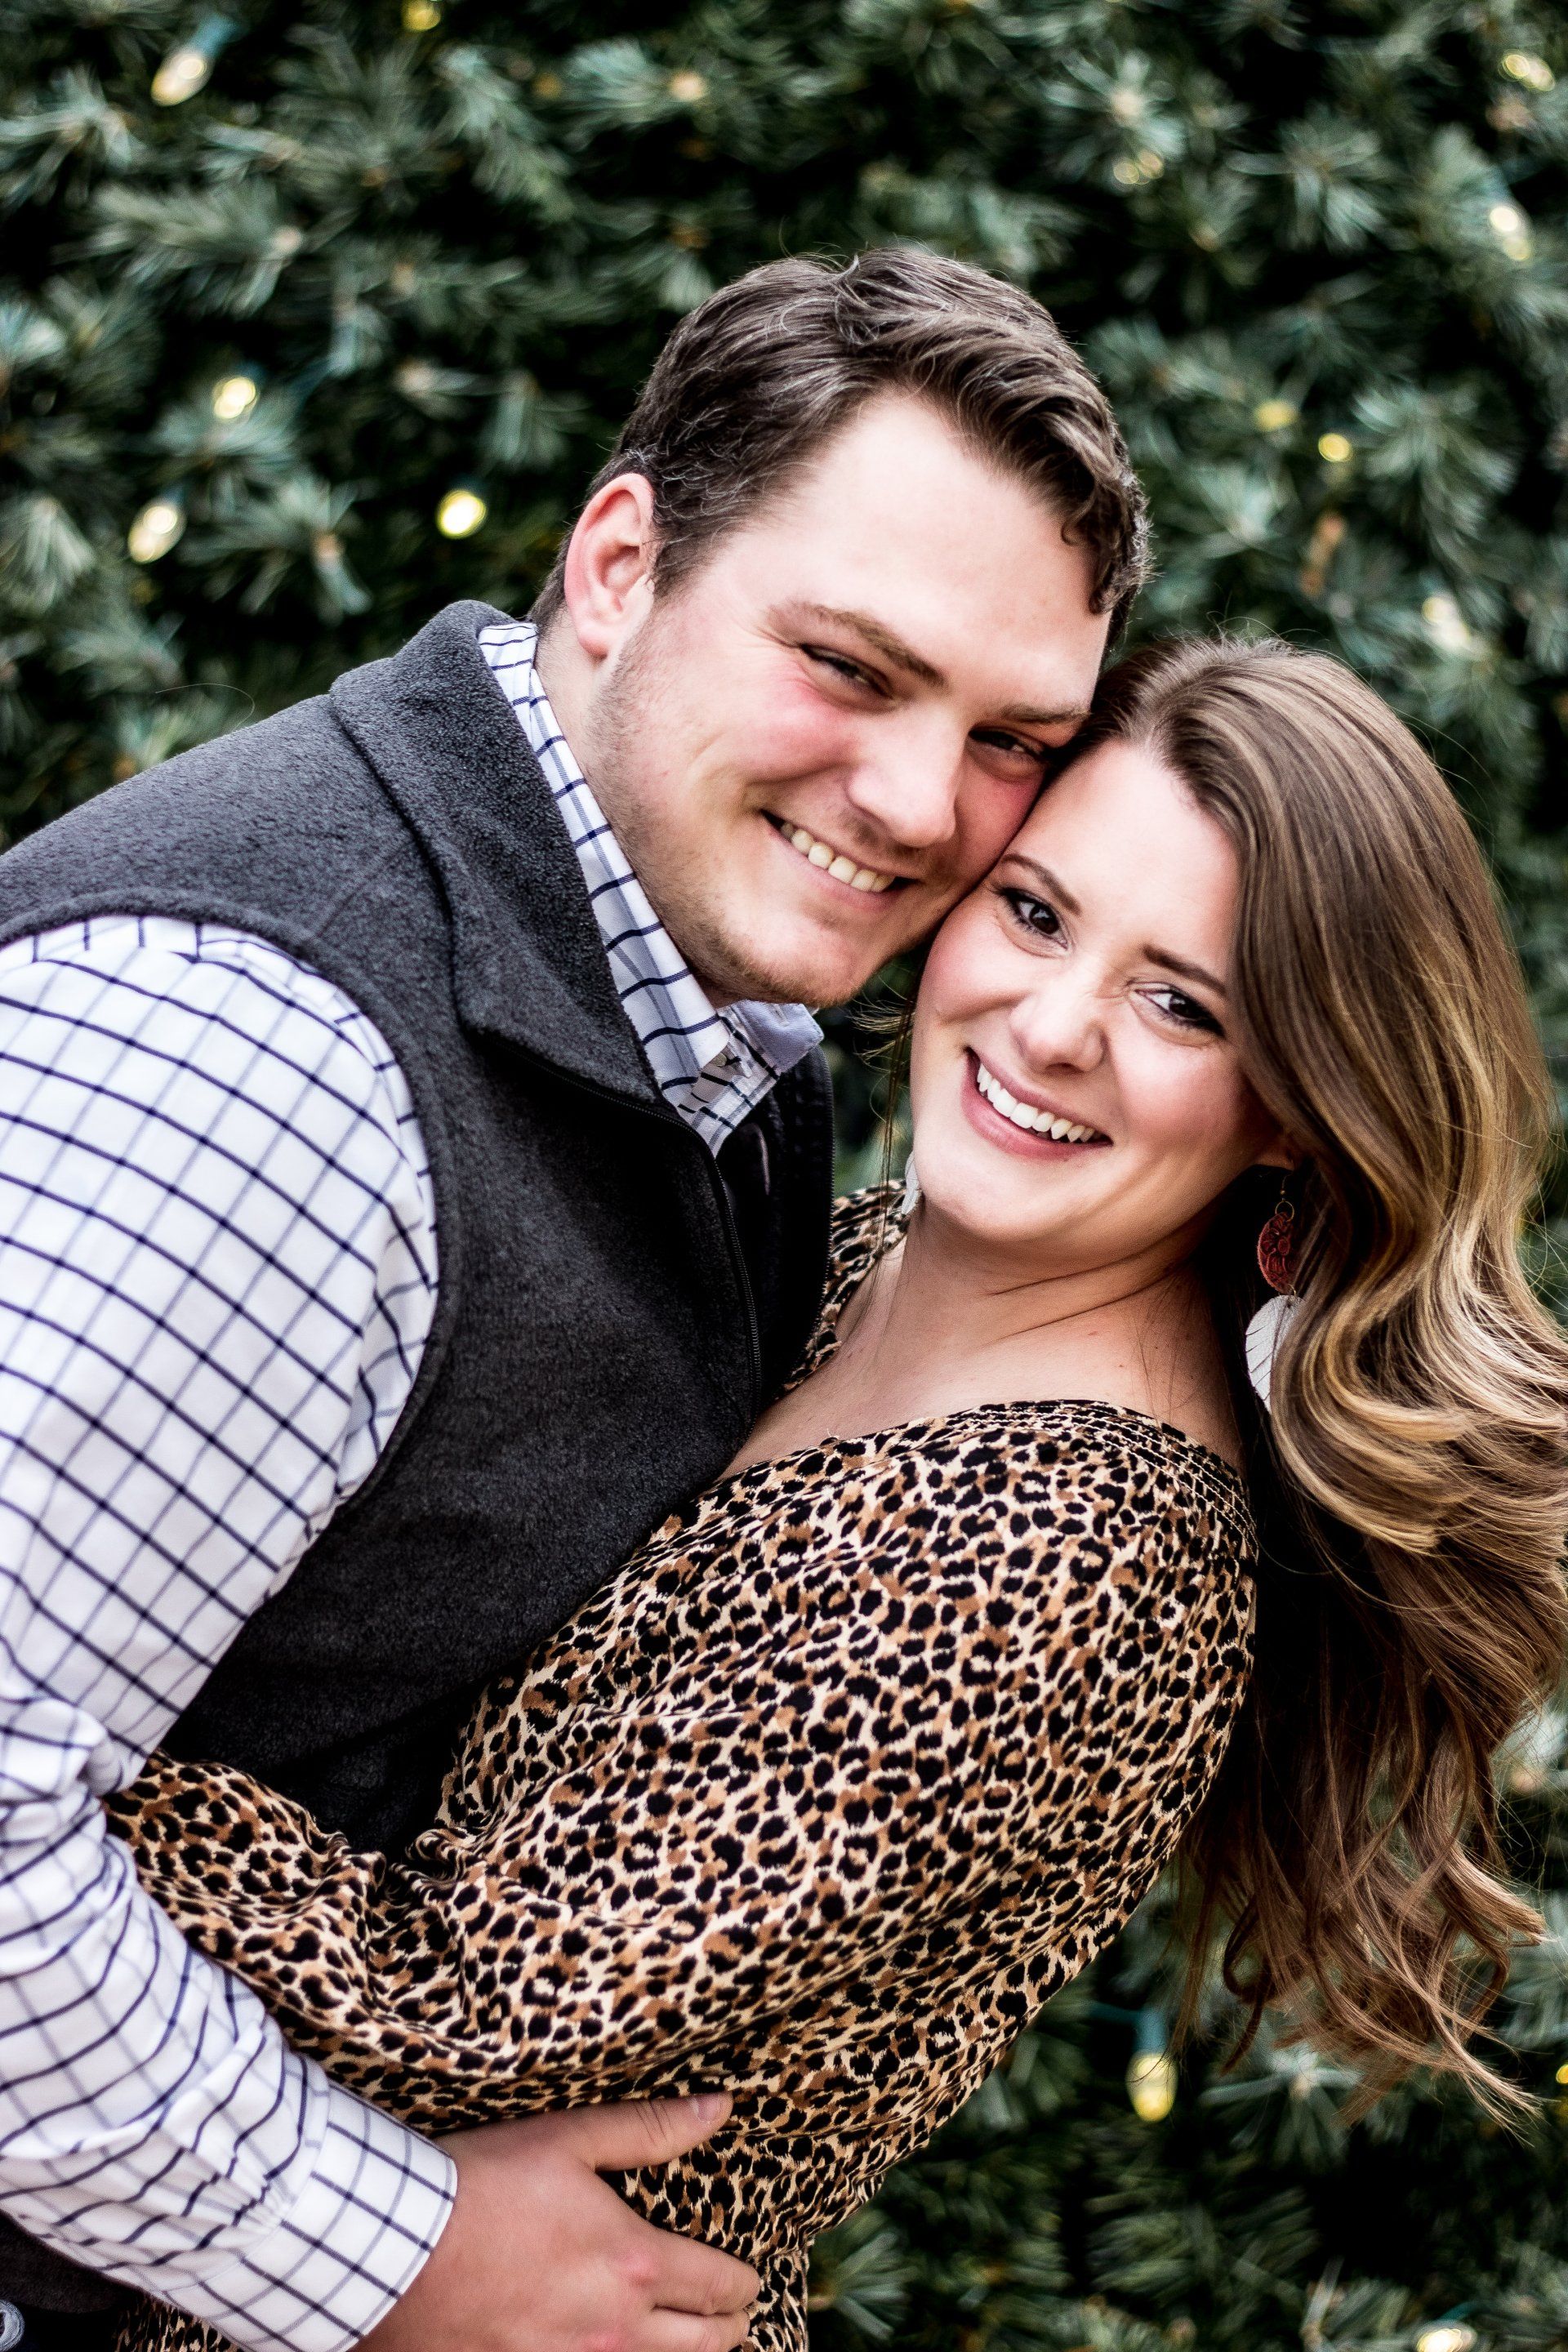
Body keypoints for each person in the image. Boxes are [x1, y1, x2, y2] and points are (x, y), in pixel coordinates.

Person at [100, 637, 1568, 2352]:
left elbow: (461, 2010)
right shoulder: (856, 1252)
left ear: (1299, 1116)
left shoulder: (1069, 1553)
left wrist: (57, 1770)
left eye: (1182, 1006)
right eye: (1033, 910)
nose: (1052, 1025)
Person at [0, 251, 1143, 2351]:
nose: (914, 803)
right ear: (618, 562)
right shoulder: (275, 1053)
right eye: (849, 666)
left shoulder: (730, 1053)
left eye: (1010, 739)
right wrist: (392, 2251)